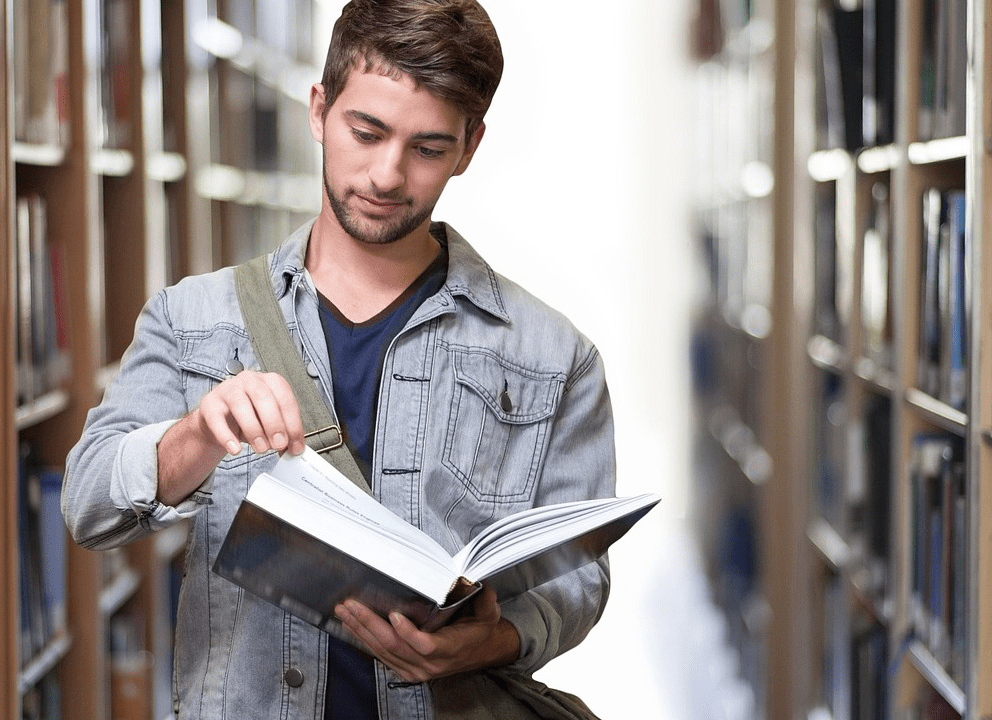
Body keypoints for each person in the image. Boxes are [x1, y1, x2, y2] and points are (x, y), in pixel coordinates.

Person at [62, 1, 618, 717]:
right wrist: (195, 436)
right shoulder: (192, 319)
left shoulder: (554, 356)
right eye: (367, 131)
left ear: (470, 146)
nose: (387, 175)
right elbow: (88, 506)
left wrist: (497, 639)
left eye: (427, 148)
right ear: (319, 109)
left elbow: (579, 579)